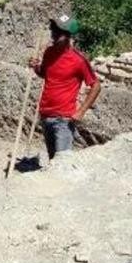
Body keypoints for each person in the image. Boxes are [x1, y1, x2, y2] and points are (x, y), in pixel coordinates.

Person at [29, 15, 101, 159]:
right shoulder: (49, 53)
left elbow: (96, 85)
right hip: (45, 115)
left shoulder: (78, 60)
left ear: (67, 35)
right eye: (53, 30)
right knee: (52, 159)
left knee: (62, 160)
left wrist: (81, 111)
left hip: (63, 119)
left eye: (58, 31)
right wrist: (35, 66)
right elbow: (45, 74)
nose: (53, 34)